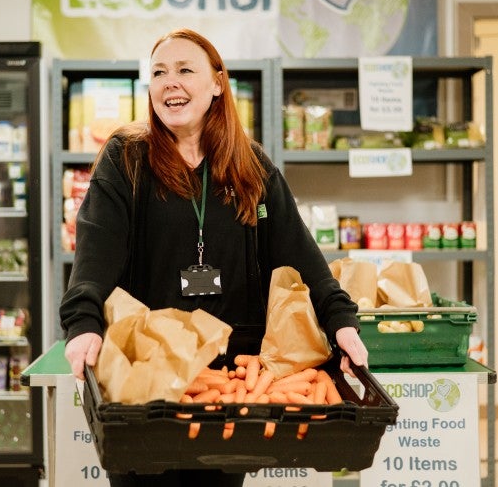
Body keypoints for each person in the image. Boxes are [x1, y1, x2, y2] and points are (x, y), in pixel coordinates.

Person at [60, 28, 368, 487]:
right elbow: (96, 249)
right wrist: (82, 322)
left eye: (186, 70)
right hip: (147, 375)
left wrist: (340, 320)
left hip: (229, 380)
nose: (171, 82)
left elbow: (298, 253)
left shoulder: (252, 166)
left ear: (217, 83)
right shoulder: (126, 159)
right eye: (160, 72)